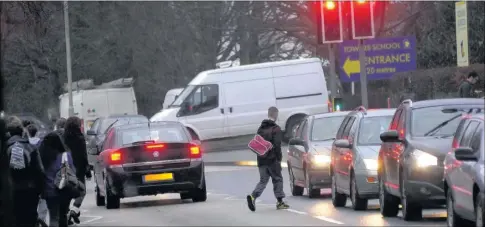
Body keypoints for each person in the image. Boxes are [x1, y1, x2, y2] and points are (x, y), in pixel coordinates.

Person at [246, 107, 289, 211]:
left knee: (263, 181)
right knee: (277, 179)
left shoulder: (261, 128)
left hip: (261, 160)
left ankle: (253, 197)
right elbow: (277, 146)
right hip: (272, 160)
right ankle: (280, 202)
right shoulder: (276, 129)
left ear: (268, 114)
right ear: (276, 115)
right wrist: (279, 159)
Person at [6, 116, 45, 227]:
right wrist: (41, 190)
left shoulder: (5, 148)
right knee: (30, 220)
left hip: (11, 193)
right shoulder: (31, 147)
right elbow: (40, 171)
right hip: (30, 191)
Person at [39, 131, 75, 227]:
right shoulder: (66, 155)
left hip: (50, 191)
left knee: (54, 217)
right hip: (65, 190)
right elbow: (72, 172)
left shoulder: (43, 158)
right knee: (63, 215)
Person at [64, 116, 91, 225]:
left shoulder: (64, 137)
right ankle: (74, 210)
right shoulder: (80, 138)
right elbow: (83, 155)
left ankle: (66, 214)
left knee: (67, 192)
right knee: (81, 191)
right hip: (79, 168)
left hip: (67, 168)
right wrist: (87, 169)